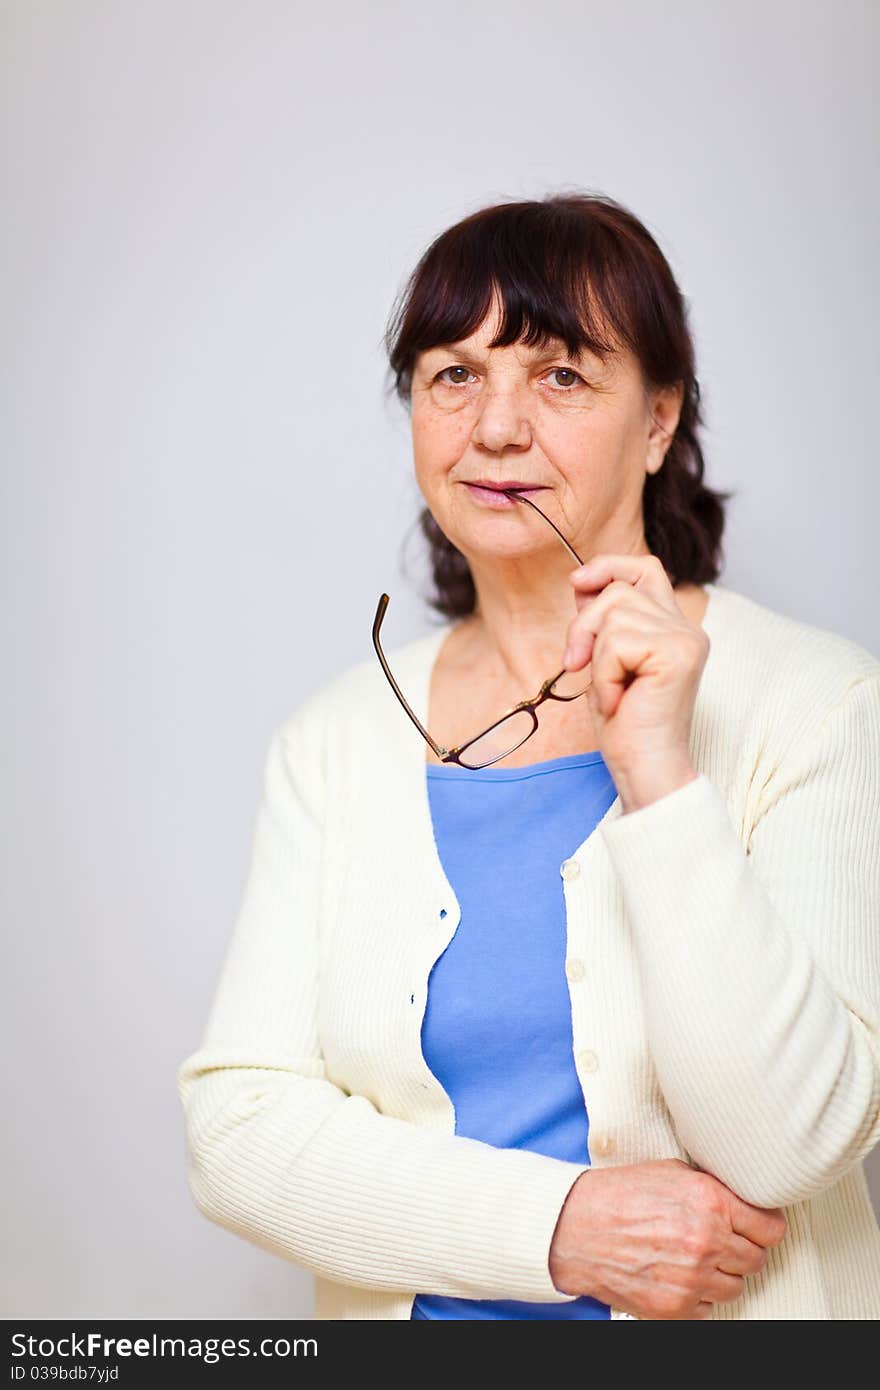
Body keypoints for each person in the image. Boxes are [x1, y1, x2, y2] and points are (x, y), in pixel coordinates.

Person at [176, 192, 880, 1320]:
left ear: (658, 421)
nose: (494, 428)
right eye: (452, 374)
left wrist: (658, 775)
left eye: (559, 375)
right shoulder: (334, 739)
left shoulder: (817, 701)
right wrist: (557, 1230)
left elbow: (789, 1141)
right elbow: (236, 1133)